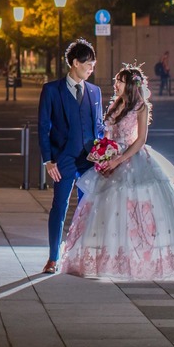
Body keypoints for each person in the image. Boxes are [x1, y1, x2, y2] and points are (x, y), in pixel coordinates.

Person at [59, 63, 174, 280]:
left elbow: (140, 139)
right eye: (116, 81)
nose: (116, 85)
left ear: (131, 85)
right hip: (111, 157)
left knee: (134, 208)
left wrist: (119, 159)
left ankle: (138, 259)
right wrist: (103, 155)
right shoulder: (116, 105)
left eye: (120, 81)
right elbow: (106, 135)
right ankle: (105, 258)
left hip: (132, 158)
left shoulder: (140, 107)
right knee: (104, 209)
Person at [38, 38, 105, 275]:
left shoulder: (95, 92)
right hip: (63, 159)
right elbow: (43, 127)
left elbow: (98, 126)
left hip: (89, 160)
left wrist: (104, 151)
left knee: (88, 209)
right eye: (89, 64)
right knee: (59, 207)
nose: (91, 69)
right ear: (75, 63)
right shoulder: (51, 90)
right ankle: (53, 258)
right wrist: (48, 160)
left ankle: (83, 257)